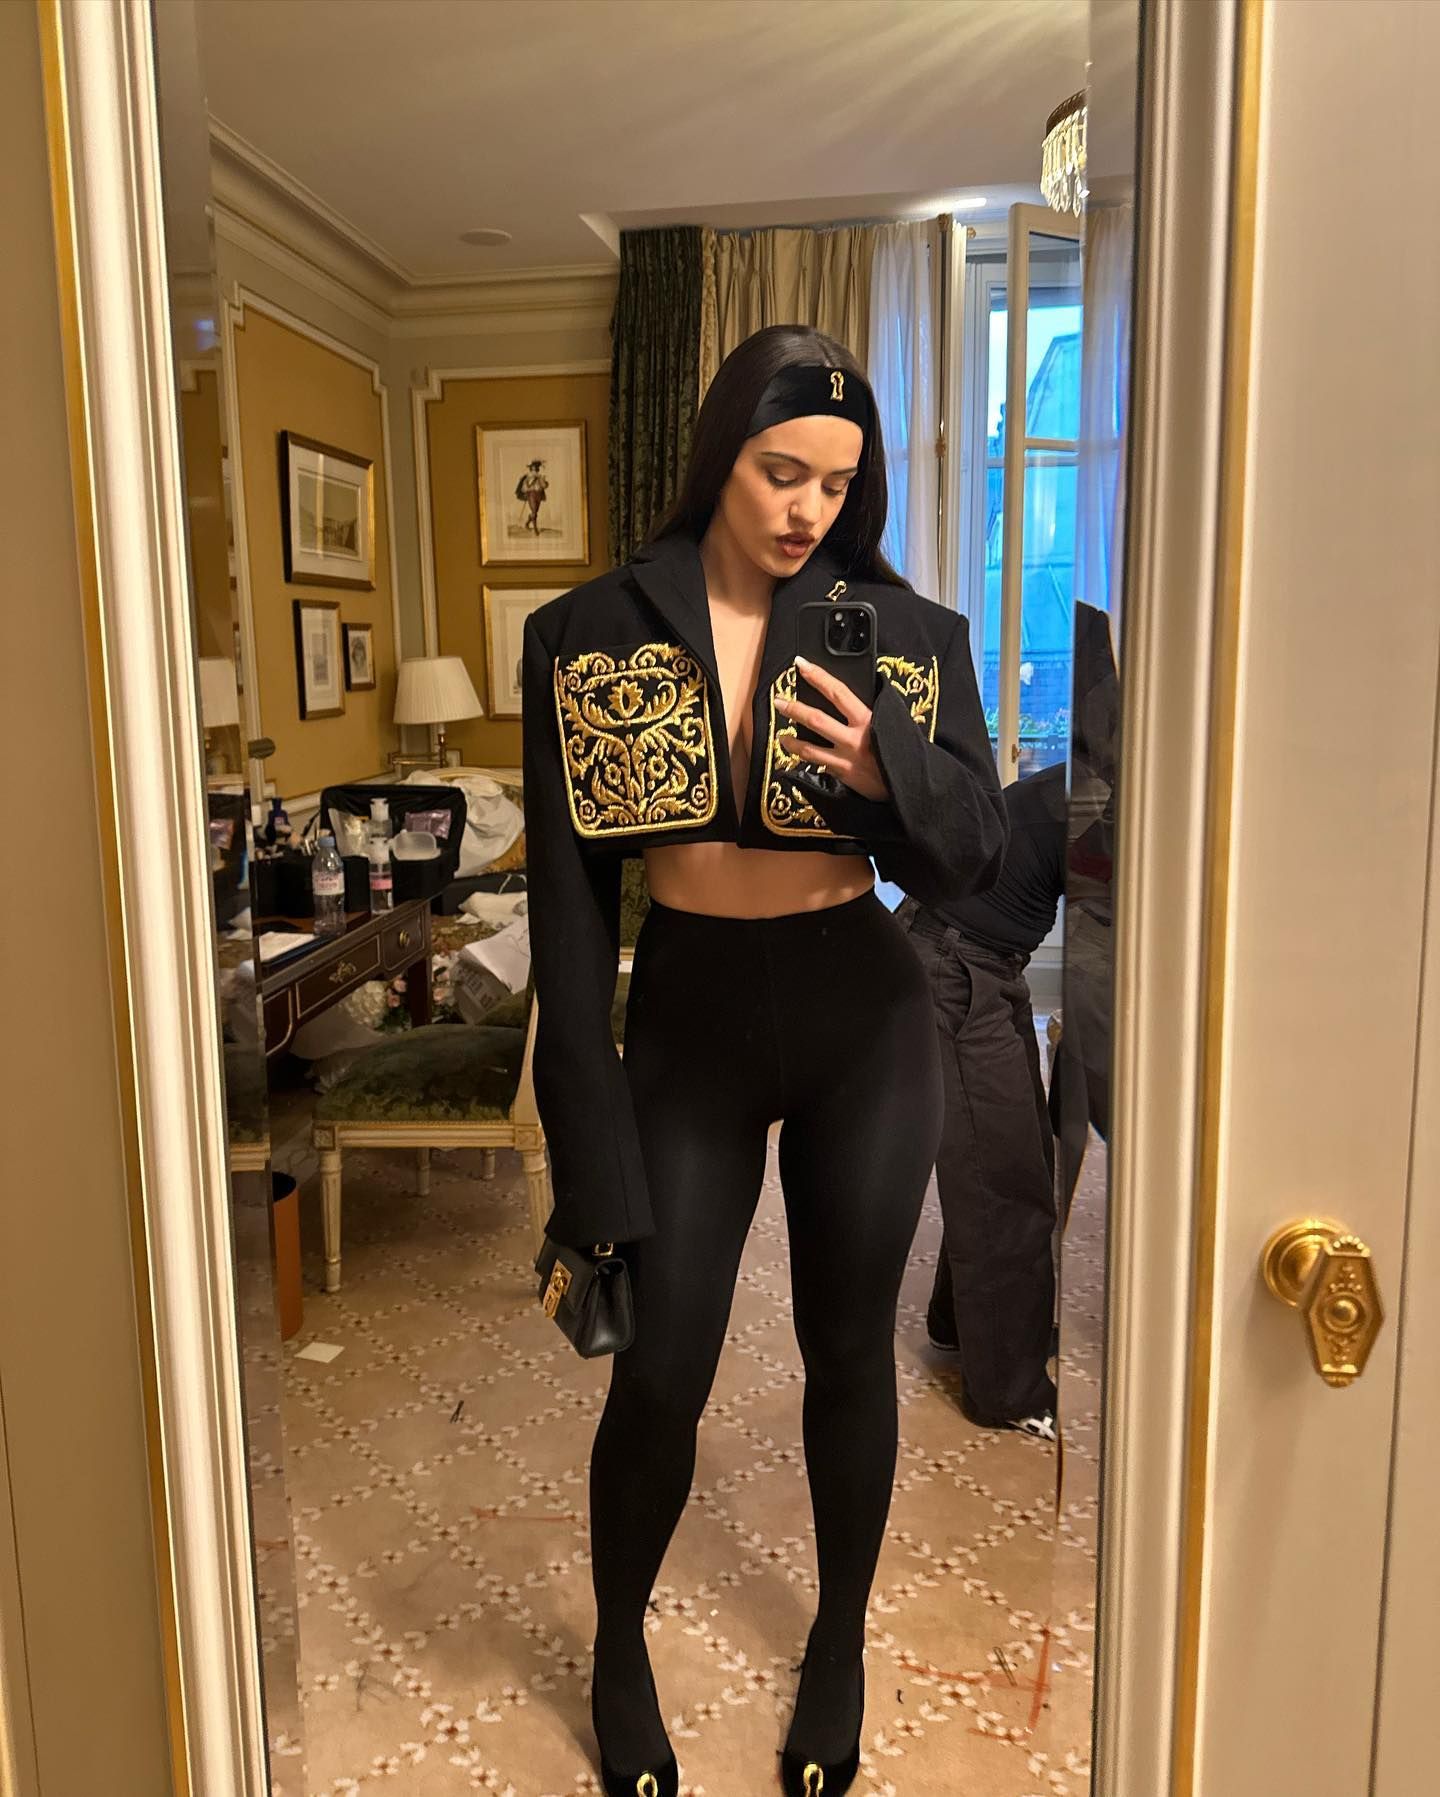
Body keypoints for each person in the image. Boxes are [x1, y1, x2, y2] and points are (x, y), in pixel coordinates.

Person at [520, 324, 1006, 1797]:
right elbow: (566, 913)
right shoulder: (591, 631)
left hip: (863, 1012)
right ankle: (618, 1647)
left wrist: (887, 774)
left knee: (848, 1350)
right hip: (691, 1015)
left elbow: (977, 854)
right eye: (782, 471)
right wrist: (586, 1153)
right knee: (661, 1367)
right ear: (721, 451)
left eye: (838, 483)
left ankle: (839, 1642)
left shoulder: (905, 634)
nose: (808, 508)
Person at [895, 762, 1068, 1440]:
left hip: (975, 957)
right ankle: (1008, 1390)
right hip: (955, 963)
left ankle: (967, 1327)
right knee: (1005, 1177)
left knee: (1016, 1154)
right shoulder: (1111, 799)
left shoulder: (1097, 785)